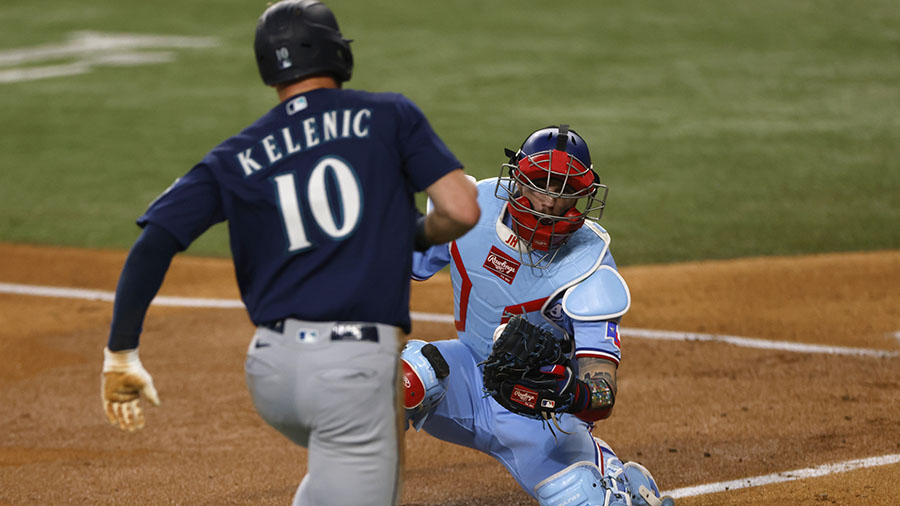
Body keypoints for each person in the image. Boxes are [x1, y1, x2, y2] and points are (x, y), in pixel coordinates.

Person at [99, 1, 480, 505]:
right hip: (351, 369)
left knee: (343, 471)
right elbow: (460, 210)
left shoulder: (235, 153)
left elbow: (155, 241)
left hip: (272, 372)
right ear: (336, 52)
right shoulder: (388, 115)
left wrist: (120, 353)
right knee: (364, 458)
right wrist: (415, 234)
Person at [403, 125, 675, 506]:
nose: (549, 201)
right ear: (516, 179)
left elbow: (603, 390)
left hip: (538, 416)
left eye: (565, 190)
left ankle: (615, 481)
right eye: (540, 183)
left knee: (582, 498)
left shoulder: (589, 268)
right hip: (466, 377)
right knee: (399, 381)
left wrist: (569, 391)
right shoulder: (468, 211)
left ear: (582, 197)